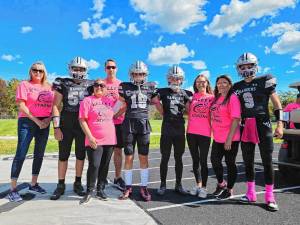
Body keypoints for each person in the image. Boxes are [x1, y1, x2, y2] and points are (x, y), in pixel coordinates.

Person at [233, 52, 283, 211]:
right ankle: (250, 193)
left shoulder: (265, 80)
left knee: (267, 161)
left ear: (256, 66)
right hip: (245, 124)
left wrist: (280, 123)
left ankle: (270, 196)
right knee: (248, 161)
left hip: (263, 123)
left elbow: (276, 103)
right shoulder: (237, 86)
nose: (246, 68)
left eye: (249, 65)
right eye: (243, 66)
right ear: (238, 68)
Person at [8, 61, 54, 202]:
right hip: (28, 121)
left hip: (44, 122)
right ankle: (13, 189)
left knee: (39, 154)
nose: (38, 73)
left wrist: (48, 119)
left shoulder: (49, 87)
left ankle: (34, 184)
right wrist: (37, 121)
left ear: (44, 72)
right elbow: (22, 106)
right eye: (35, 70)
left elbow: (55, 105)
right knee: (21, 154)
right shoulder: (24, 85)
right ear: (30, 71)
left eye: (40, 70)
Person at [50, 57, 94, 200]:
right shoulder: (62, 82)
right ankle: (61, 184)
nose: (78, 71)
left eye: (81, 69)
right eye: (75, 68)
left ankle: (77, 182)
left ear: (86, 70)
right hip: (66, 124)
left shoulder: (90, 84)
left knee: (81, 155)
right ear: (70, 68)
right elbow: (56, 106)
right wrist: (56, 127)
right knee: (63, 155)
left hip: (82, 125)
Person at [117, 60, 159, 202]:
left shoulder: (151, 87)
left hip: (143, 124)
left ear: (145, 74)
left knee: (143, 157)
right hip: (129, 123)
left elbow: (157, 103)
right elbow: (121, 104)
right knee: (128, 157)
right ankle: (128, 186)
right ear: (131, 74)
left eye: (141, 73)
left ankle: (143, 186)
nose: (138, 76)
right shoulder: (124, 86)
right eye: (136, 73)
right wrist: (111, 117)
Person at [156, 65, 192, 196]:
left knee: (179, 158)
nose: (175, 80)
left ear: (181, 80)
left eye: (177, 78)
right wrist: (163, 112)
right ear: (168, 79)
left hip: (179, 129)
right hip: (166, 129)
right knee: (164, 157)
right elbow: (154, 100)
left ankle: (178, 184)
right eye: (172, 78)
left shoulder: (186, 93)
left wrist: (185, 108)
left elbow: (190, 111)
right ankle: (163, 184)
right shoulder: (163, 91)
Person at [79, 79, 116, 204]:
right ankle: (89, 191)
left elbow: (117, 113)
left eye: (102, 85)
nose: (99, 87)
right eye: (96, 85)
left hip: (110, 139)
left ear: (105, 88)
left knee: (105, 165)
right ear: (93, 87)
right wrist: (90, 137)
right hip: (94, 139)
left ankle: (100, 189)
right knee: (94, 165)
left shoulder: (110, 101)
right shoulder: (87, 100)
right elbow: (82, 120)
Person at [210, 75, 241, 200]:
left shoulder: (232, 98)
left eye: (224, 82)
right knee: (214, 161)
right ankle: (221, 184)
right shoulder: (216, 98)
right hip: (217, 137)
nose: (221, 85)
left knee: (230, 163)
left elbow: (236, 119)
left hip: (230, 138)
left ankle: (229, 189)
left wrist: (229, 139)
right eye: (219, 83)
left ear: (229, 84)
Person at [186, 74, 214, 198]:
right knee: (195, 160)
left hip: (205, 133)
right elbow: (186, 111)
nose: (201, 84)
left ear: (207, 83)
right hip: (191, 133)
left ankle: (204, 188)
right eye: (198, 82)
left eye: (203, 82)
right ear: (195, 84)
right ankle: (198, 184)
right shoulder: (191, 98)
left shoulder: (213, 97)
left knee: (203, 161)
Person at [103, 59, 126, 190]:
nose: (111, 69)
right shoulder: (101, 83)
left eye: (113, 67)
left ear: (116, 69)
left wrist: (116, 115)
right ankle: (102, 177)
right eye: (108, 67)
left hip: (119, 122)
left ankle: (117, 177)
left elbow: (125, 103)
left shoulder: (121, 84)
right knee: (105, 152)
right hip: (103, 123)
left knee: (118, 151)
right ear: (105, 69)